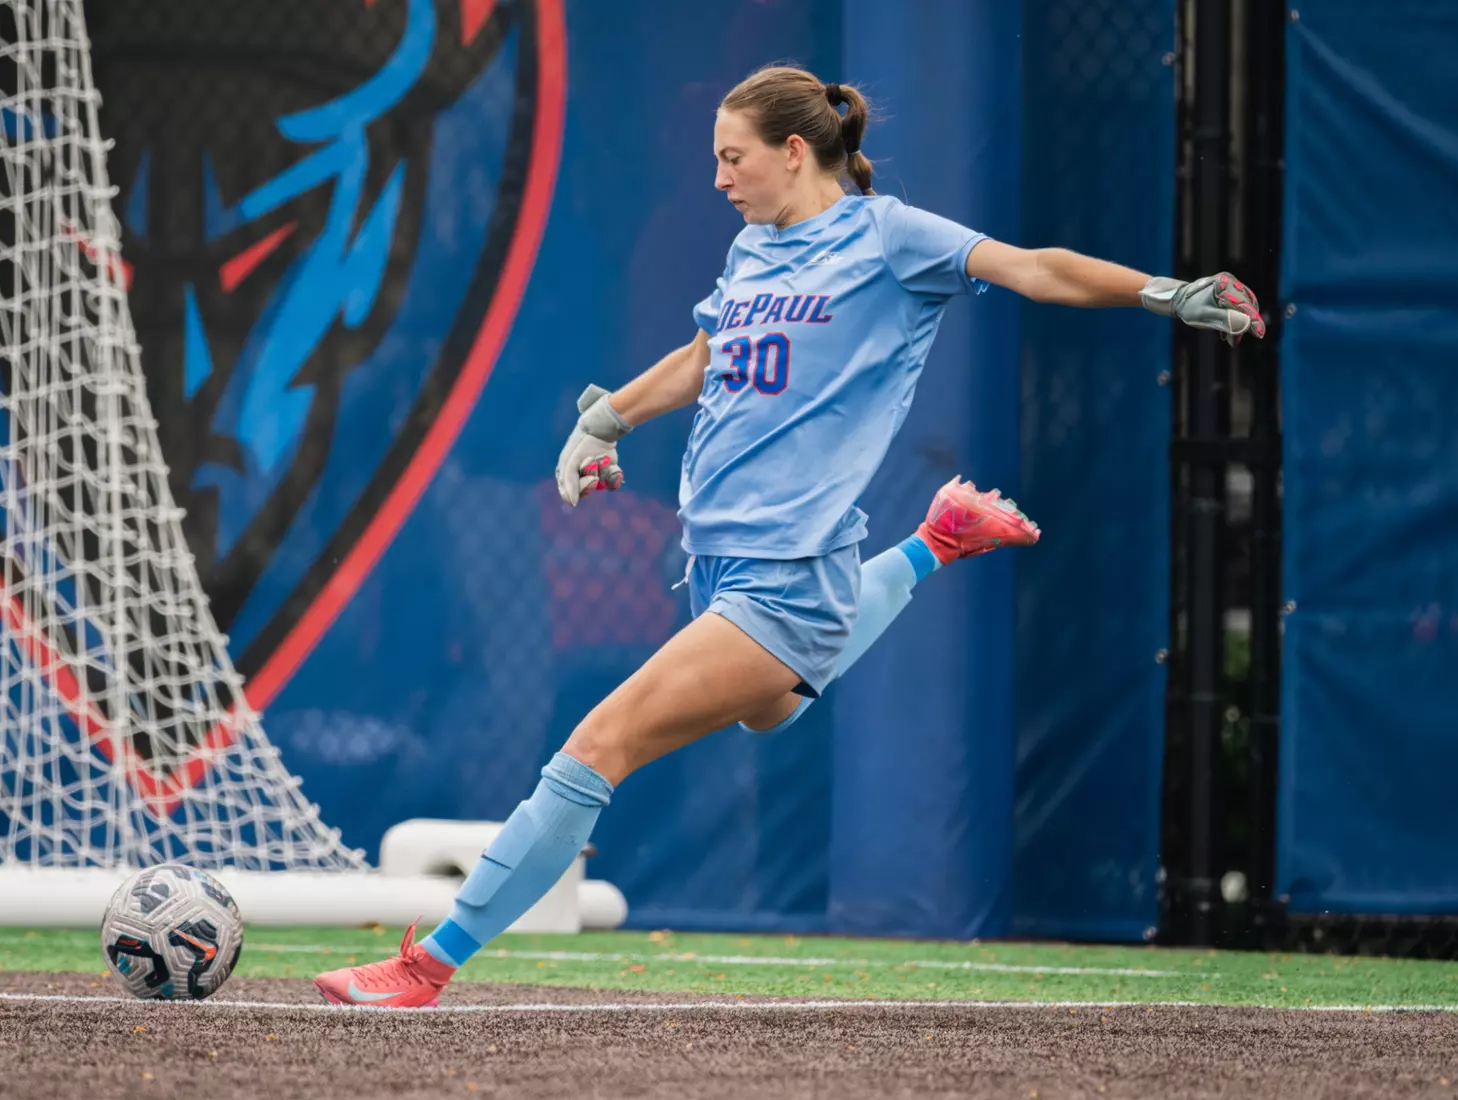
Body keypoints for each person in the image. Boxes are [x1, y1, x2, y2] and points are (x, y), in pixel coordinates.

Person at [313, 64, 1265, 1008]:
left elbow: (1031, 267)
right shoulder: (751, 248)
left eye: (734, 158)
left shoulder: (889, 237)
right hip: (720, 562)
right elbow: (704, 356)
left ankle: (425, 966)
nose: (719, 178)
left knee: (599, 743)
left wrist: (1168, 293)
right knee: (770, 710)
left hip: (790, 573)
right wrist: (607, 421)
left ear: (795, 150)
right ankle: (935, 542)